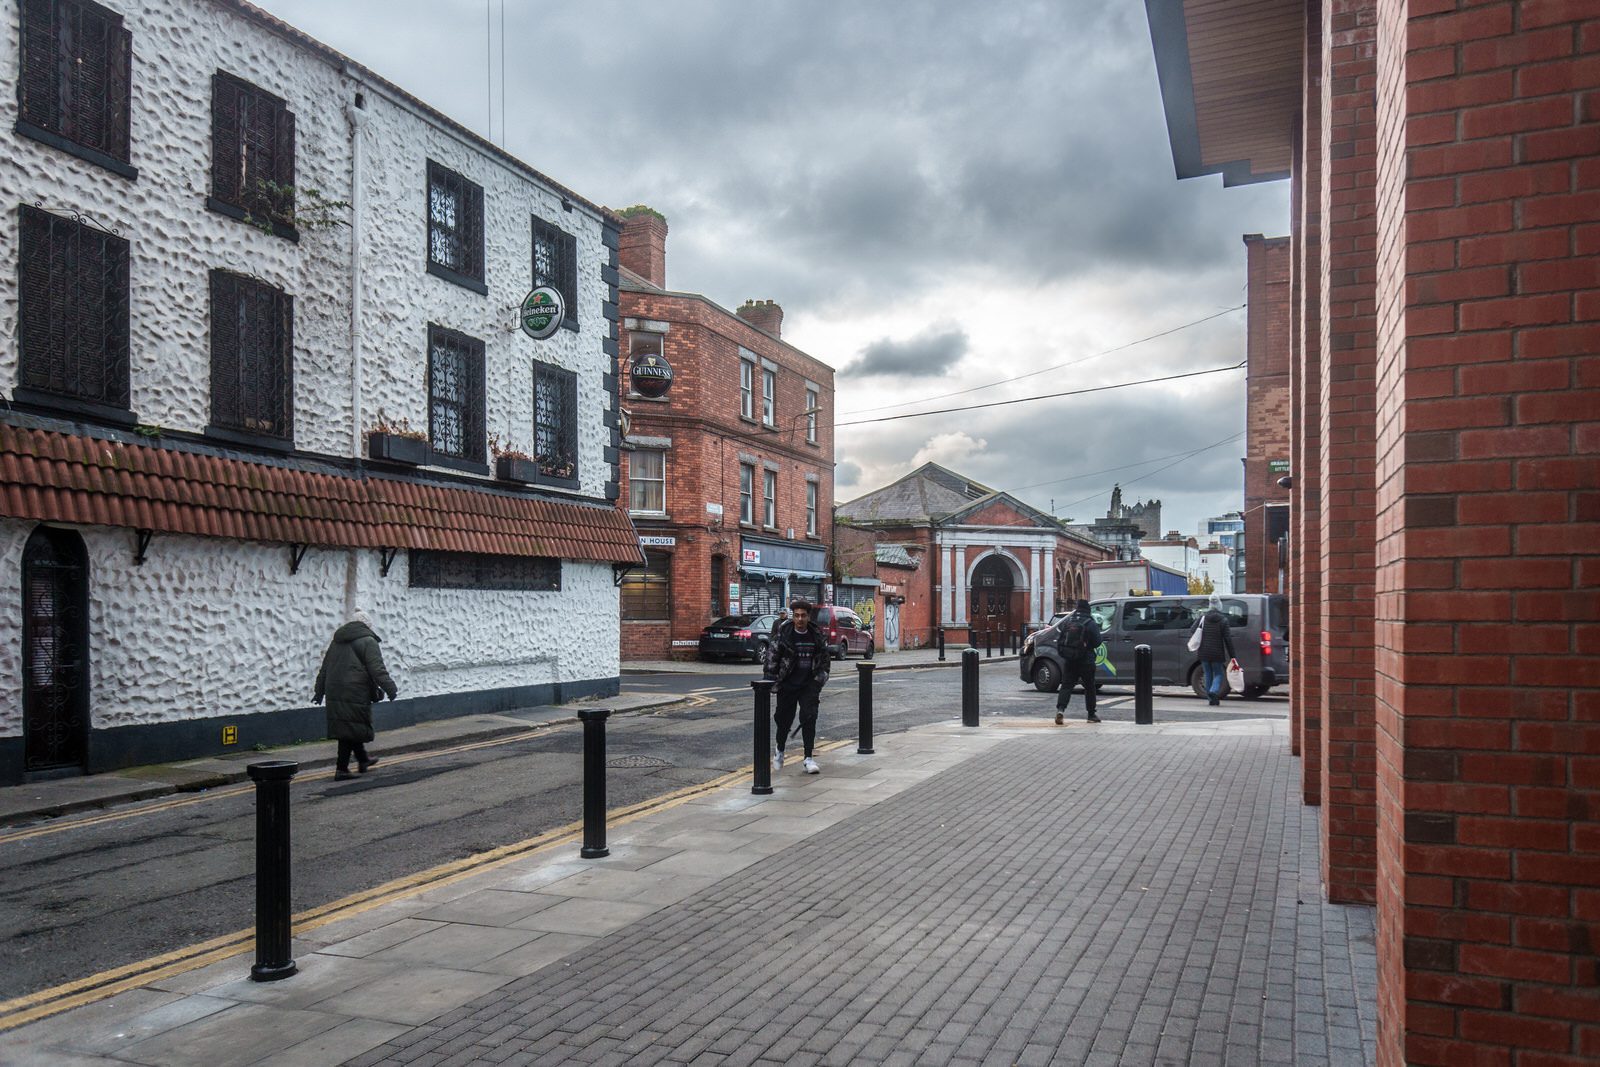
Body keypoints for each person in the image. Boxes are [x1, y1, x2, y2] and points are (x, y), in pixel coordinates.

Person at [313, 610, 398, 780]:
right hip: (355, 690)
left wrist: (319, 691)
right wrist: (390, 688)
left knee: (350, 725)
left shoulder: (337, 641)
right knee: (350, 727)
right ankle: (342, 769)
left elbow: (325, 667)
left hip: (335, 689)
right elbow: (377, 669)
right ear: (367, 626)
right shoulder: (368, 641)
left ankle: (363, 759)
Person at [765, 598, 830, 774]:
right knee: (783, 720)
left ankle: (808, 758)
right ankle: (779, 750)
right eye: (797, 616)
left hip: (809, 684)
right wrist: (770, 681)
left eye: (803, 616)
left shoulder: (816, 636)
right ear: (793, 617)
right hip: (788, 684)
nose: (800, 619)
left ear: (809, 617)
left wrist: (818, 681)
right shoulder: (784, 634)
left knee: (809, 718)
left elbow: (825, 662)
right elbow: (772, 657)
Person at [1054, 599, 1103, 725]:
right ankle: (1091, 715)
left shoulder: (1069, 621)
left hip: (1070, 659)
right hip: (1086, 660)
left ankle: (1060, 710)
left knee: (1066, 686)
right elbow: (1098, 641)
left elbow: (1061, 639)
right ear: (1088, 609)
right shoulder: (1090, 622)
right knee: (1090, 687)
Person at [1193, 593, 1237, 706]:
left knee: (1207, 674)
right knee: (1218, 674)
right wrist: (1233, 655)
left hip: (1204, 651)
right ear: (1219, 604)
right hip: (1217, 652)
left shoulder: (1203, 618)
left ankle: (1211, 698)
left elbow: (1192, 630)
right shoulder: (1223, 620)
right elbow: (1227, 639)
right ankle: (1213, 691)